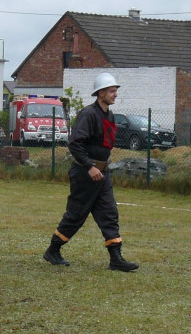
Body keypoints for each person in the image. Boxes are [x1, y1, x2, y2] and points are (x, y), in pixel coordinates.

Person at [43, 72, 139, 272]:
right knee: (76, 215)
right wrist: (90, 166)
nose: (115, 95)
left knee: (109, 213)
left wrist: (101, 167)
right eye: (112, 91)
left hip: (102, 175)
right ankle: (53, 250)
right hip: (85, 174)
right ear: (101, 92)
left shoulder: (109, 115)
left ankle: (116, 258)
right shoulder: (88, 114)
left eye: (115, 91)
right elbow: (75, 144)